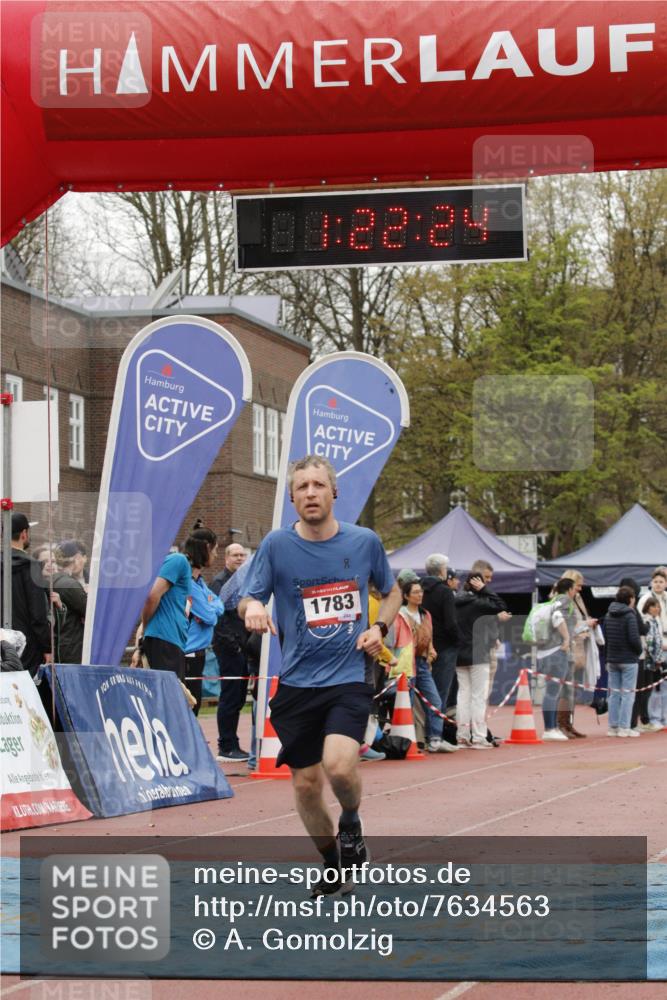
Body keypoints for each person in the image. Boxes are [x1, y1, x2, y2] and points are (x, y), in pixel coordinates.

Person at [239, 455, 402, 894]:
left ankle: (351, 822)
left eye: (317, 485)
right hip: (296, 683)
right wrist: (254, 607)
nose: (310, 493)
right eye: (302, 487)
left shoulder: (364, 541)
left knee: (339, 766)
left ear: (334, 492)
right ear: (292, 497)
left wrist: (379, 627)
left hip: (348, 677)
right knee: (307, 785)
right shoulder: (276, 545)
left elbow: (392, 591)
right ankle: (334, 863)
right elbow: (248, 598)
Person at [394, 578, 457, 753]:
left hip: (422, 663)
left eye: (421, 592)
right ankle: (406, 739)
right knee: (405, 702)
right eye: (415, 592)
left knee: (434, 700)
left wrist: (431, 650)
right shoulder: (400, 615)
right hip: (405, 664)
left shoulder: (425, 614)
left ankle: (435, 738)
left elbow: (429, 635)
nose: (420, 595)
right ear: (406, 596)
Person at [454, 561, 508, 749]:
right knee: (478, 696)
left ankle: (462, 735)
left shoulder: (455, 600)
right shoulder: (480, 602)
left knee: (463, 695)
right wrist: (485, 590)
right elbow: (500, 605)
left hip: (460, 652)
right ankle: (478, 736)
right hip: (479, 653)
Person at [211, 542, 253, 763]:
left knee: (238, 697)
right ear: (226, 558)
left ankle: (233, 742)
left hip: (242, 646)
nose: (239, 558)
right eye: (235, 555)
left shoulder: (244, 581)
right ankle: (225, 745)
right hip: (229, 648)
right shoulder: (220, 582)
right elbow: (217, 617)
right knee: (230, 695)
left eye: (242, 555)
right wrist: (233, 644)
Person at [132, 544, 193, 678]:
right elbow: (144, 622)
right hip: (166, 643)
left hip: (176, 644)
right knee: (167, 694)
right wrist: (138, 650)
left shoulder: (169, 585)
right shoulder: (177, 562)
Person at [184, 524, 224, 715]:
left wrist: (210, 608)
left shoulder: (200, 582)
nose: (216, 555)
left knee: (196, 706)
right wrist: (210, 610)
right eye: (215, 550)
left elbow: (219, 604)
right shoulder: (189, 583)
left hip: (198, 654)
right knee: (190, 708)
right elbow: (210, 616)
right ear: (206, 548)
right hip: (187, 655)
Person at [8, 513, 52, 675]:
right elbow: (38, 614)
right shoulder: (32, 567)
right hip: (27, 648)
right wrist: (47, 647)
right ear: (24, 534)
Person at [556, 570, 598, 738]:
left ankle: (569, 724)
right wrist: (585, 624)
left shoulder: (577, 599)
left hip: (578, 648)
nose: (580, 589)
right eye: (578, 585)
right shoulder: (561, 600)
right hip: (566, 648)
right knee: (564, 690)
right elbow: (565, 623)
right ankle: (561, 725)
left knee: (572, 690)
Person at [535, 577, 577, 741]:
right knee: (553, 692)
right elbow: (558, 618)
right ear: (569, 589)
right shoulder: (565, 601)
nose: (576, 592)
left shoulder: (552, 601)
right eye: (575, 588)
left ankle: (551, 727)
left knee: (552, 692)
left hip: (544, 651)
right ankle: (549, 728)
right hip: (556, 651)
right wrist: (567, 639)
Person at [420, 553, 460, 713]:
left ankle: (424, 730)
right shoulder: (445, 592)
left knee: (424, 692)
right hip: (444, 647)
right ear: (442, 571)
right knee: (441, 691)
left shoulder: (417, 589)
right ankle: (436, 732)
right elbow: (450, 623)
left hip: (422, 646)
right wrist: (458, 640)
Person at [604, 585, 643, 738]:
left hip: (612, 659)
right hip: (628, 660)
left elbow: (606, 637)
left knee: (613, 694)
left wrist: (607, 657)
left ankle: (613, 726)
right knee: (628, 694)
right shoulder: (630, 615)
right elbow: (634, 638)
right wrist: (638, 651)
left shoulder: (608, 614)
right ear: (631, 599)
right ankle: (624, 727)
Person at [50, 544, 88, 663]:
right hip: (71, 648)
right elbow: (91, 613)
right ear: (76, 558)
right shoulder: (70, 585)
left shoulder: (52, 580)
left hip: (59, 645)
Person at [640, 596, 666, 731]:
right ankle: (644, 720)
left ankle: (647, 719)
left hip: (654, 661)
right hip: (648, 662)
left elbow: (658, 642)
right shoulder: (647, 621)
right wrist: (657, 660)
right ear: (647, 607)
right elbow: (650, 644)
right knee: (646, 690)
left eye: (658, 606)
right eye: (653, 606)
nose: (656, 608)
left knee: (650, 690)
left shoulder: (656, 621)